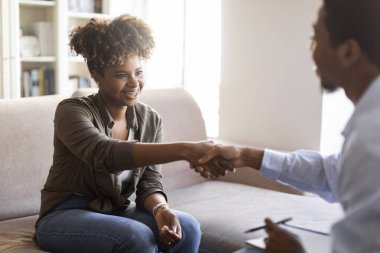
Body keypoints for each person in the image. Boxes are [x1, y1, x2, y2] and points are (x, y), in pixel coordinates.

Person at [34, 14, 231, 253]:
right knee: (136, 236)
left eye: (138, 72)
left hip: (117, 210)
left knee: (187, 227)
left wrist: (161, 209)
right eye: (121, 74)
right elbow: (103, 154)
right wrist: (185, 150)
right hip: (65, 213)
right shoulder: (72, 111)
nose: (134, 83)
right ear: (97, 75)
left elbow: (149, 182)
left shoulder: (150, 119)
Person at [198, 0, 380, 252]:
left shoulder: (370, 138)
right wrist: (246, 156)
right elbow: (331, 173)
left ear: (348, 52)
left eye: (315, 39)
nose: (311, 51)